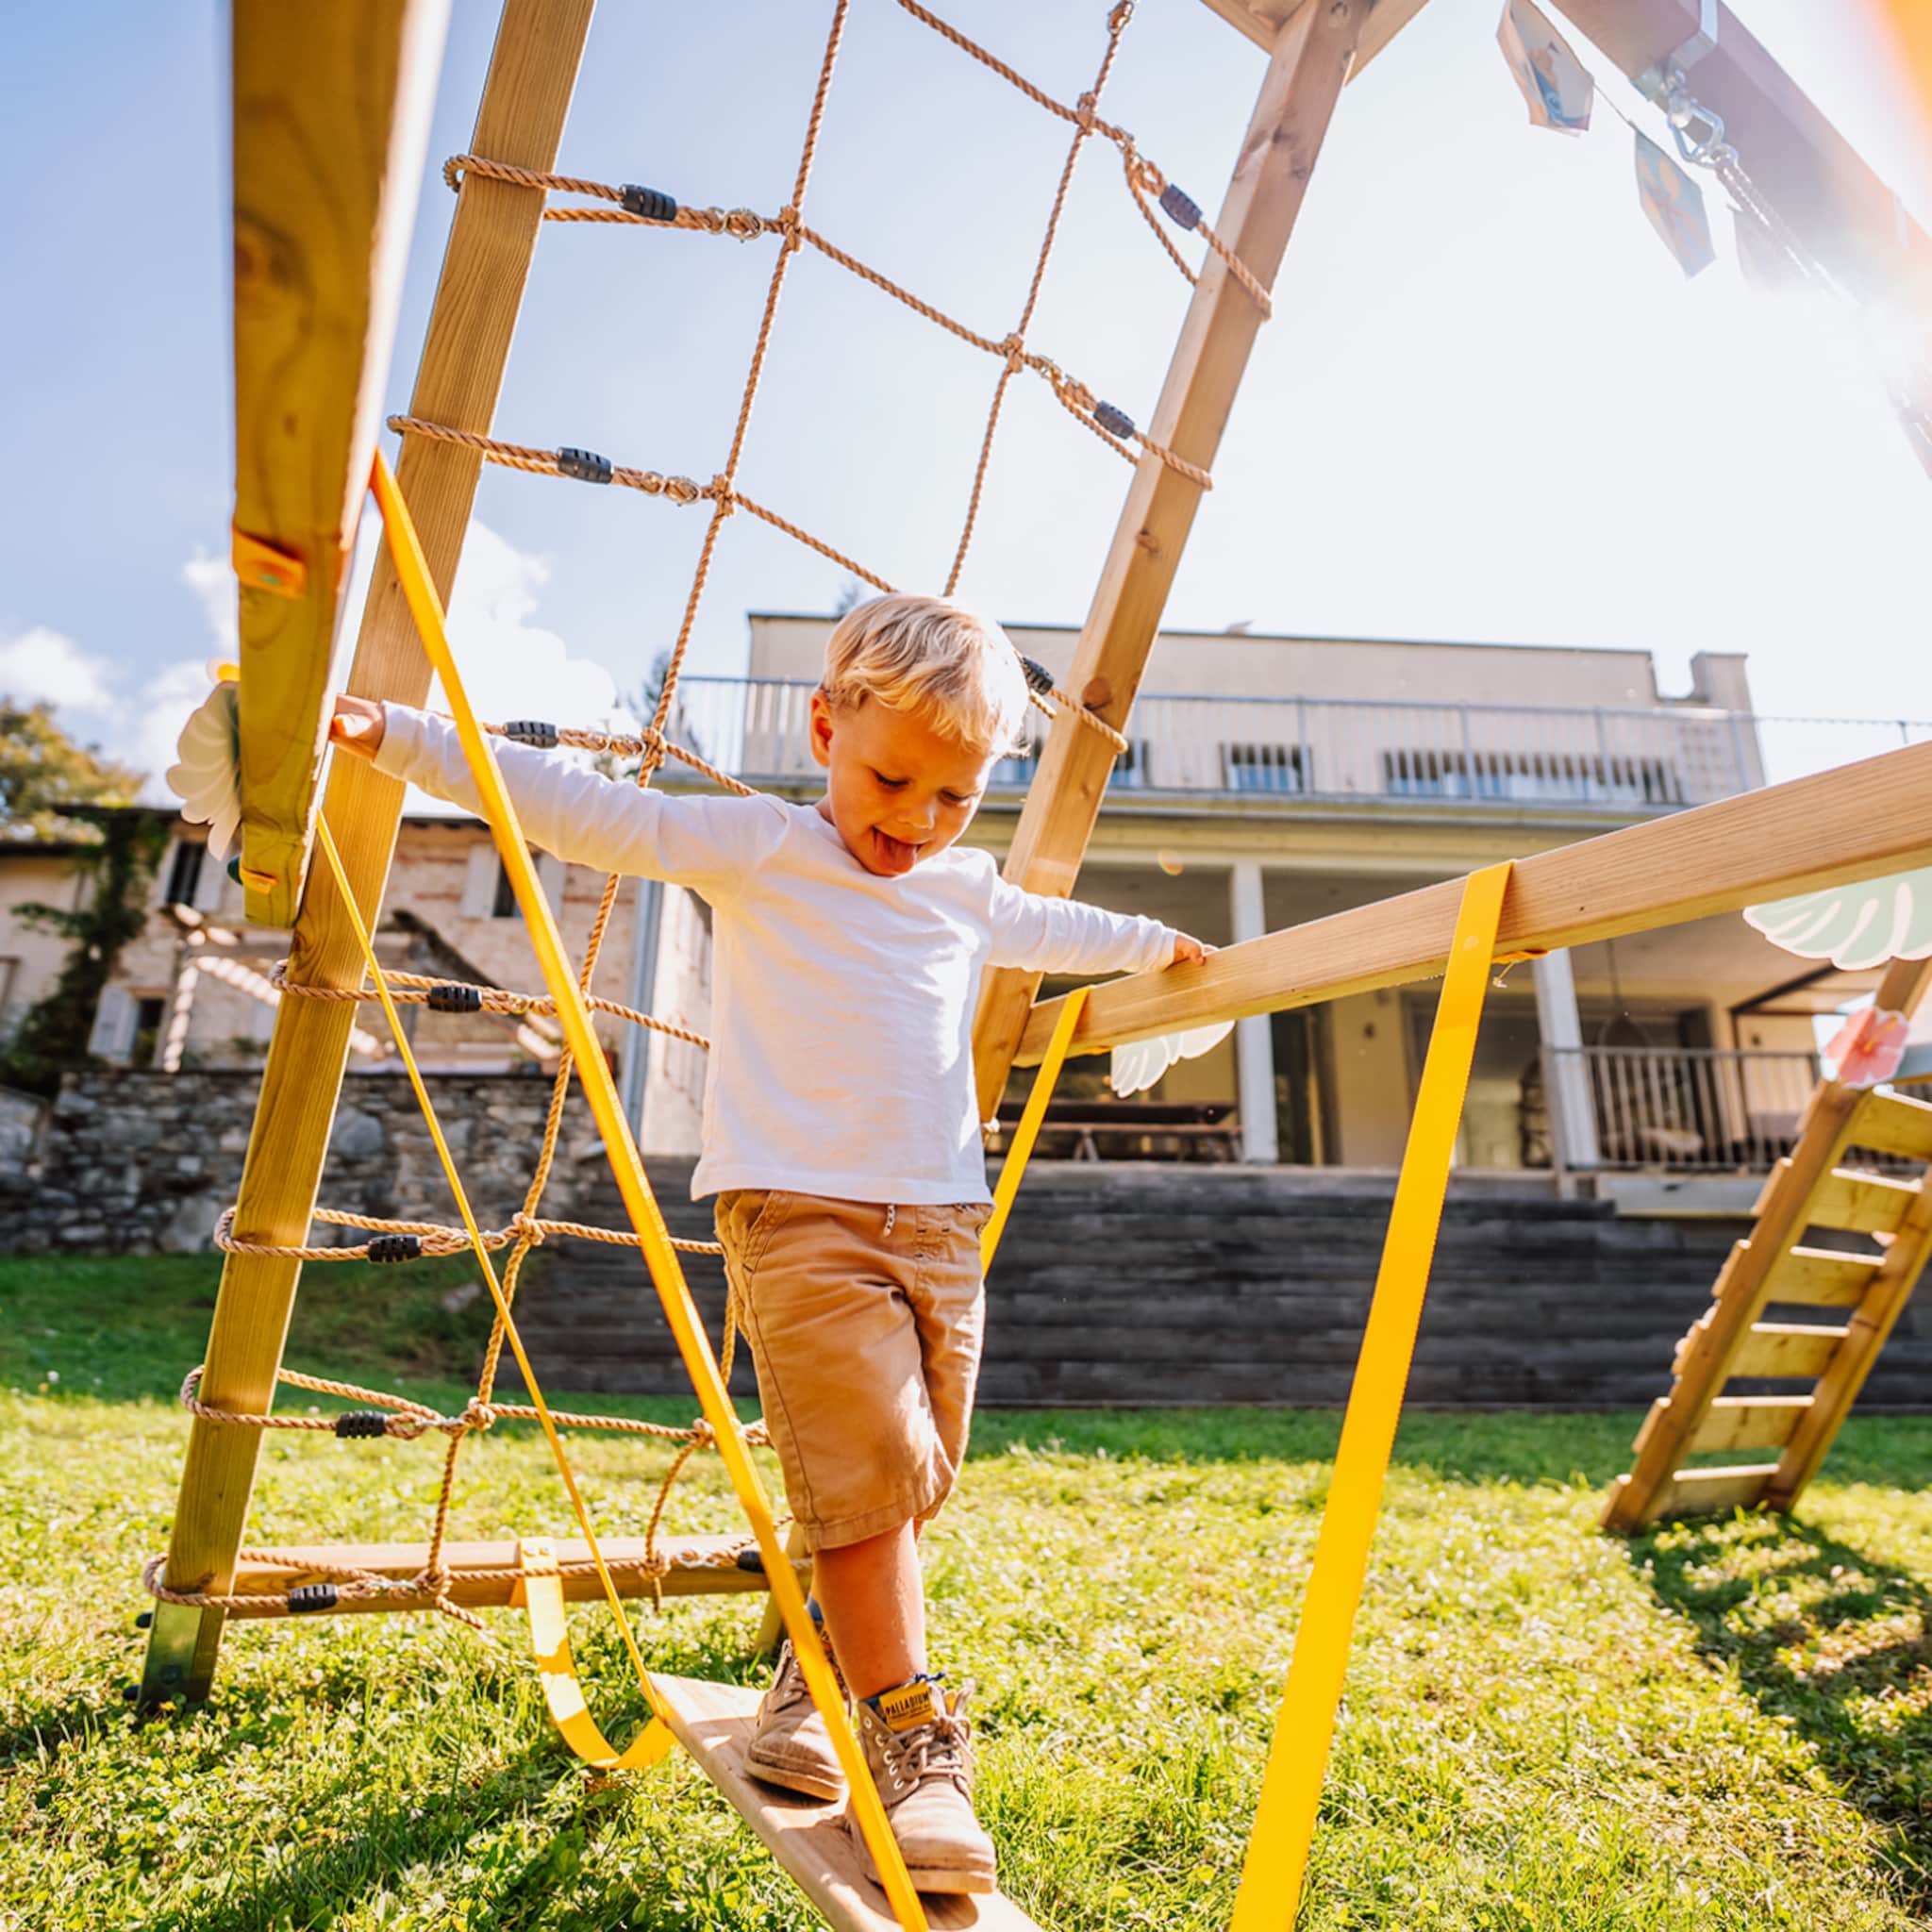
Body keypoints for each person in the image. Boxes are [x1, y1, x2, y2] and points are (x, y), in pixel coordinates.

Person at [331, 594, 1208, 1895]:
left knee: (911, 1477)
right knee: (868, 1470)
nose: (918, 821)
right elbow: (583, 810)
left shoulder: (962, 889)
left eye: (955, 796)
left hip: (942, 1226)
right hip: (800, 1215)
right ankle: (911, 1740)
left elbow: (1060, 928)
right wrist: (402, 736)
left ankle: (813, 1680)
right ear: (825, 730)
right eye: (892, 781)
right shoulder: (762, 847)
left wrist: (1173, 953)